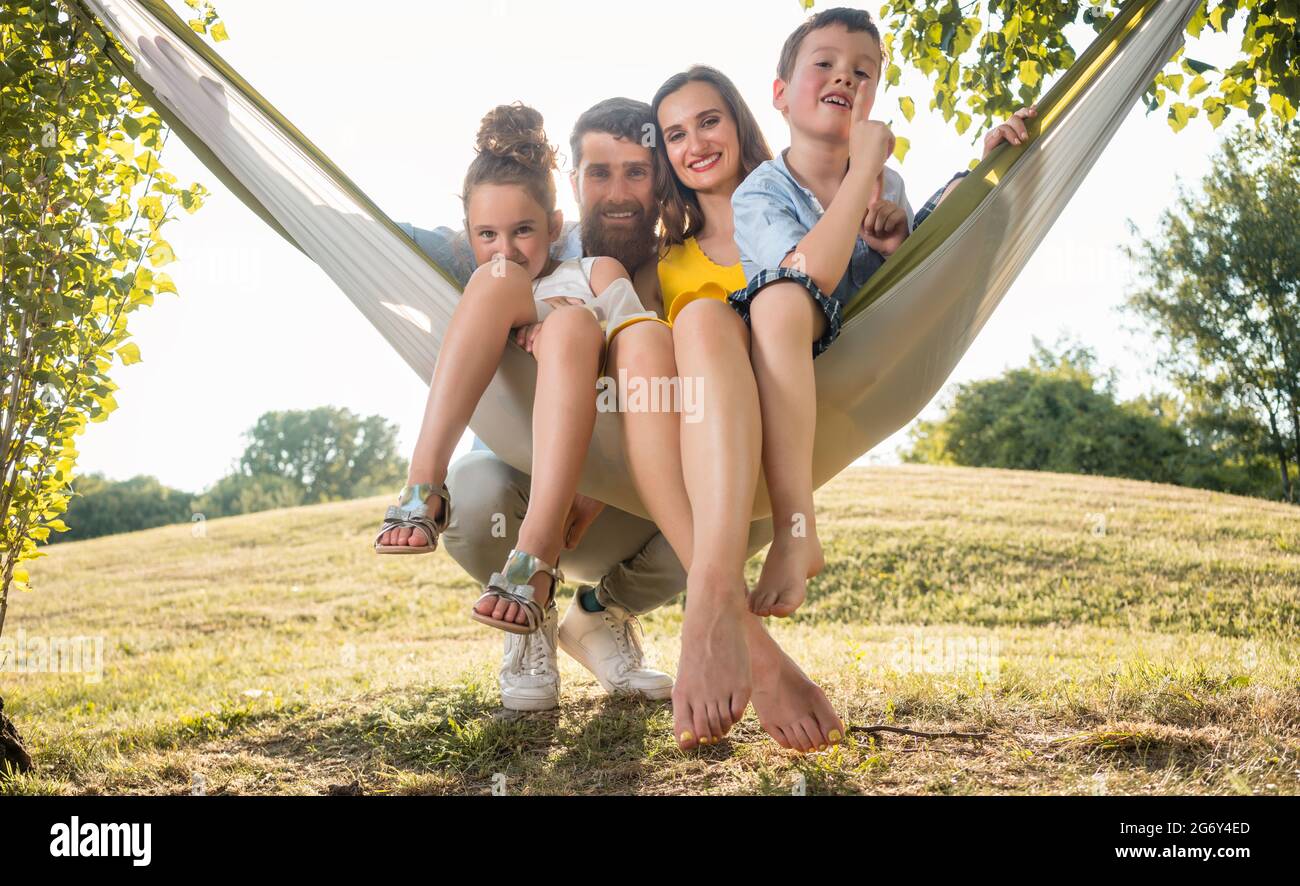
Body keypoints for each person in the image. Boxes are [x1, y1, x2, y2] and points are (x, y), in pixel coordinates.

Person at [373, 102, 660, 711]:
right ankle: (423, 487)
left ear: (556, 223)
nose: (505, 247)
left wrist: (566, 324)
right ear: (466, 233)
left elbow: (647, 356)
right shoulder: (482, 281)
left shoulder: (595, 269)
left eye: (523, 231)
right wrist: (229, 134)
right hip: (511, 477)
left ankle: (539, 562)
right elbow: (356, 236)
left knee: (575, 329)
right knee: (496, 282)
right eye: (487, 235)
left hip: (606, 481)